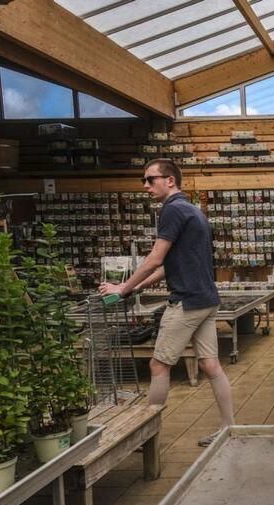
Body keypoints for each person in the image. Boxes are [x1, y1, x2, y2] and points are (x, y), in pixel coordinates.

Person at [99, 159, 233, 447]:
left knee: (158, 366)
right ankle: (228, 429)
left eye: (150, 179)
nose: (146, 186)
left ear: (170, 180)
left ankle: (146, 439)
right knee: (211, 365)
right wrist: (138, 286)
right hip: (207, 299)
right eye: (144, 180)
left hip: (185, 303)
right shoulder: (194, 211)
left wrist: (123, 288)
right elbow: (171, 264)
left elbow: (155, 258)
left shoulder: (171, 210)